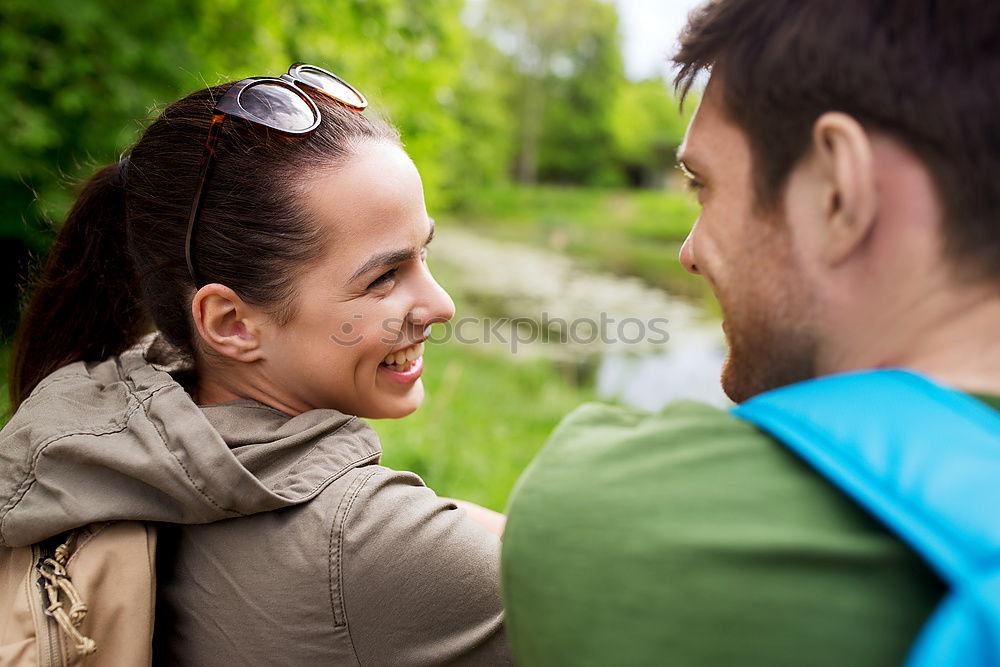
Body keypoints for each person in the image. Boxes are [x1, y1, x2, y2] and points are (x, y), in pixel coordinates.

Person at [501, 0, 1000, 664]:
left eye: (702, 184)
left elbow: (558, 523)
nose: (689, 250)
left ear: (836, 190)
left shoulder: (616, 521)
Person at [1, 64, 510, 664]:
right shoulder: (373, 545)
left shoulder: (93, 440)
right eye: (383, 277)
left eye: (424, 253)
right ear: (231, 324)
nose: (441, 305)